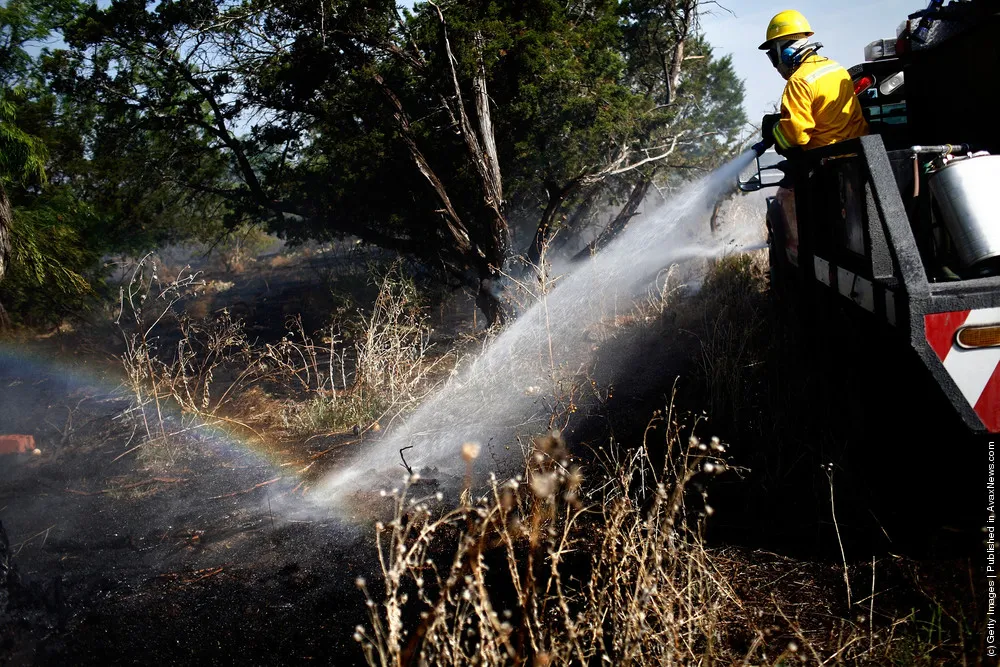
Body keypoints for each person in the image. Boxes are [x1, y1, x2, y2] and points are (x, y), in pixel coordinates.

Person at [752, 10, 869, 158]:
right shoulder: (836, 68)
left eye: (774, 55)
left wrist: (775, 128)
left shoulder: (799, 81)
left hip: (827, 163)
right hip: (859, 156)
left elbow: (796, 136)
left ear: (785, 52)